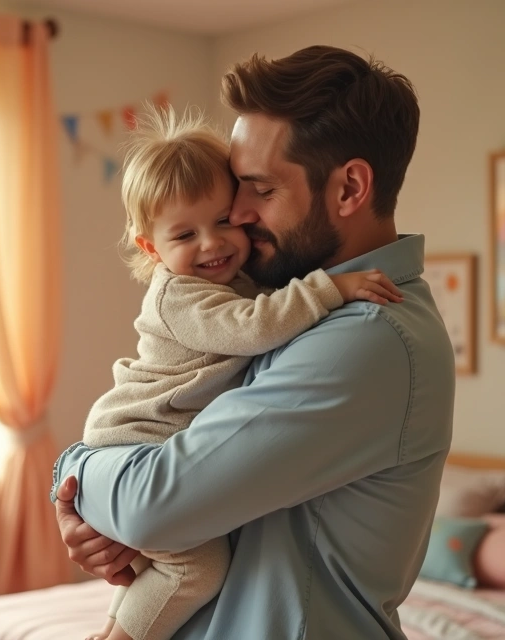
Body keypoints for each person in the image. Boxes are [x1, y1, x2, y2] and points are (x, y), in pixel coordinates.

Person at [52, 45, 456, 639]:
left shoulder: (363, 339)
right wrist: (98, 511)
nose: (235, 214)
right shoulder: (294, 308)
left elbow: (156, 506)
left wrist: (78, 475)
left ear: (349, 189)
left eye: (259, 190)